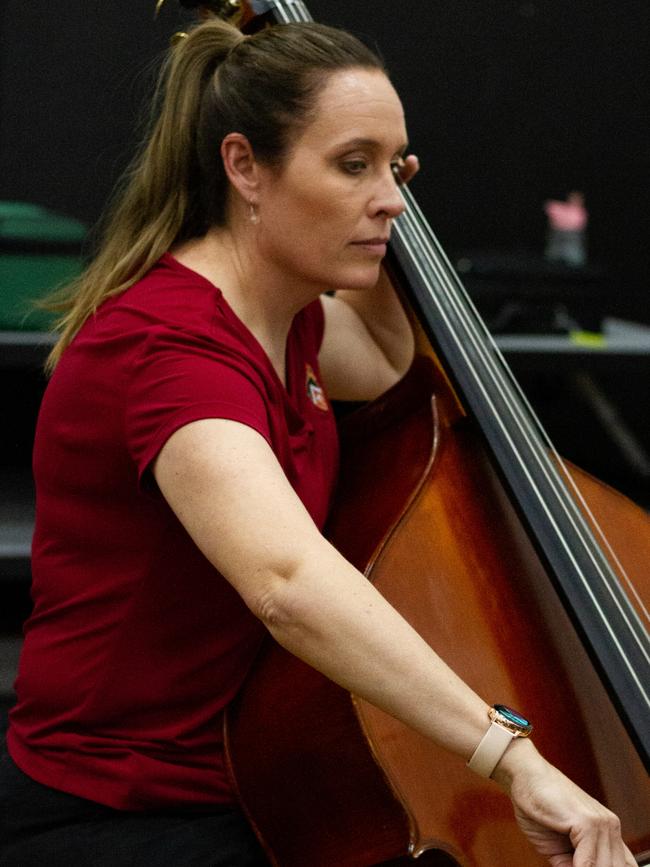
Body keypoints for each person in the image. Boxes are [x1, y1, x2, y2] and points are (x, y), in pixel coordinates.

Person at [0, 17, 635, 867]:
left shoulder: (290, 320)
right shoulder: (169, 347)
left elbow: (383, 357)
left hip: (250, 785)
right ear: (244, 167)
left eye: (396, 166)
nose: (391, 198)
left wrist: (389, 219)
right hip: (117, 812)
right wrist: (509, 753)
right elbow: (287, 581)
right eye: (351, 164)